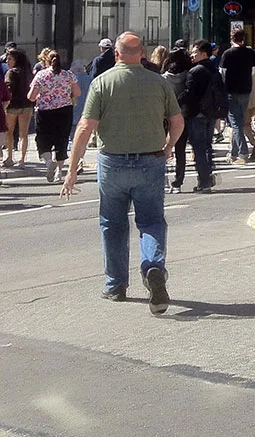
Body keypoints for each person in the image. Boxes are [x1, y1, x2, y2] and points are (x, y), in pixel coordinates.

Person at [60, 31, 182, 313]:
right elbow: (177, 121)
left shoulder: (102, 82)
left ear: (116, 54)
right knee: (151, 221)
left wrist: (72, 170)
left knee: (112, 223)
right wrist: (168, 147)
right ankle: (153, 267)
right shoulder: (158, 82)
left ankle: (116, 285)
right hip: (151, 160)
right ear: (142, 53)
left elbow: (85, 127)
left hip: (112, 162)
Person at [179, 40, 225, 192]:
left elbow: (189, 94)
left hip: (196, 113)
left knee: (198, 148)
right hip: (211, 112)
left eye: (195, 52)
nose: (192, 54)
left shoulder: (195, 71)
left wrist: (176, 102)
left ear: (204, 54)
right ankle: (208, 177)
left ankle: (204, 181)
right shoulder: (214, 69)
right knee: (207, 146)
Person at [28, 50, 80, 184]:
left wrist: (42, 96)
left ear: (46, 61)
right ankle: (59, 172)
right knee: (61, 140)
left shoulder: (41, 75)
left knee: (43, 138)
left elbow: (31, 96)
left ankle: (49, 162)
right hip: (64, 111)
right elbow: (77, 92)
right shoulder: (68, 74)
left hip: (45, 111)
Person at [219, 29, 255, 163]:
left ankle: (243, 151)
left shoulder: (227, 54)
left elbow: (222, 73)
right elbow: (252, 71)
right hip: (246, 89)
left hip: (230, 90)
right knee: (239, 121)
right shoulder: (250, 53)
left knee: (235, 123)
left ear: (232, 39)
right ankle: (234, 153)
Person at [161, 48, 192, 192]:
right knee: (181, 150)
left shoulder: (164, 78)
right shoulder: (188, 75)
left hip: (166, 115)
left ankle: (164, 180)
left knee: (162, 148)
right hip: (183, 114)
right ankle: (178, 181)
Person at [3, 47, 33, 168]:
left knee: (9, 132)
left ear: (15, 60)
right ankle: (22, 160)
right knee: (23, 134)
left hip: (13, 106)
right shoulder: (27, 72)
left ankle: (9, 158)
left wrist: (4, 104)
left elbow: (8, 89)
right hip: (26, 105)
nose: (7, 61)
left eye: (9, 59)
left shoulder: (11, 73)